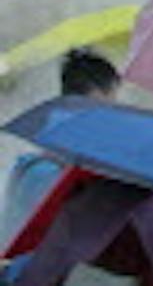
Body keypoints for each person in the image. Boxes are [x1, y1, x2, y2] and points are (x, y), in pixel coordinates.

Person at [2, 49, 120, 244]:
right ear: (98, 93)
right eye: (113, 95)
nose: (115, 105)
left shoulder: (56, 127)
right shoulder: (51, 167)